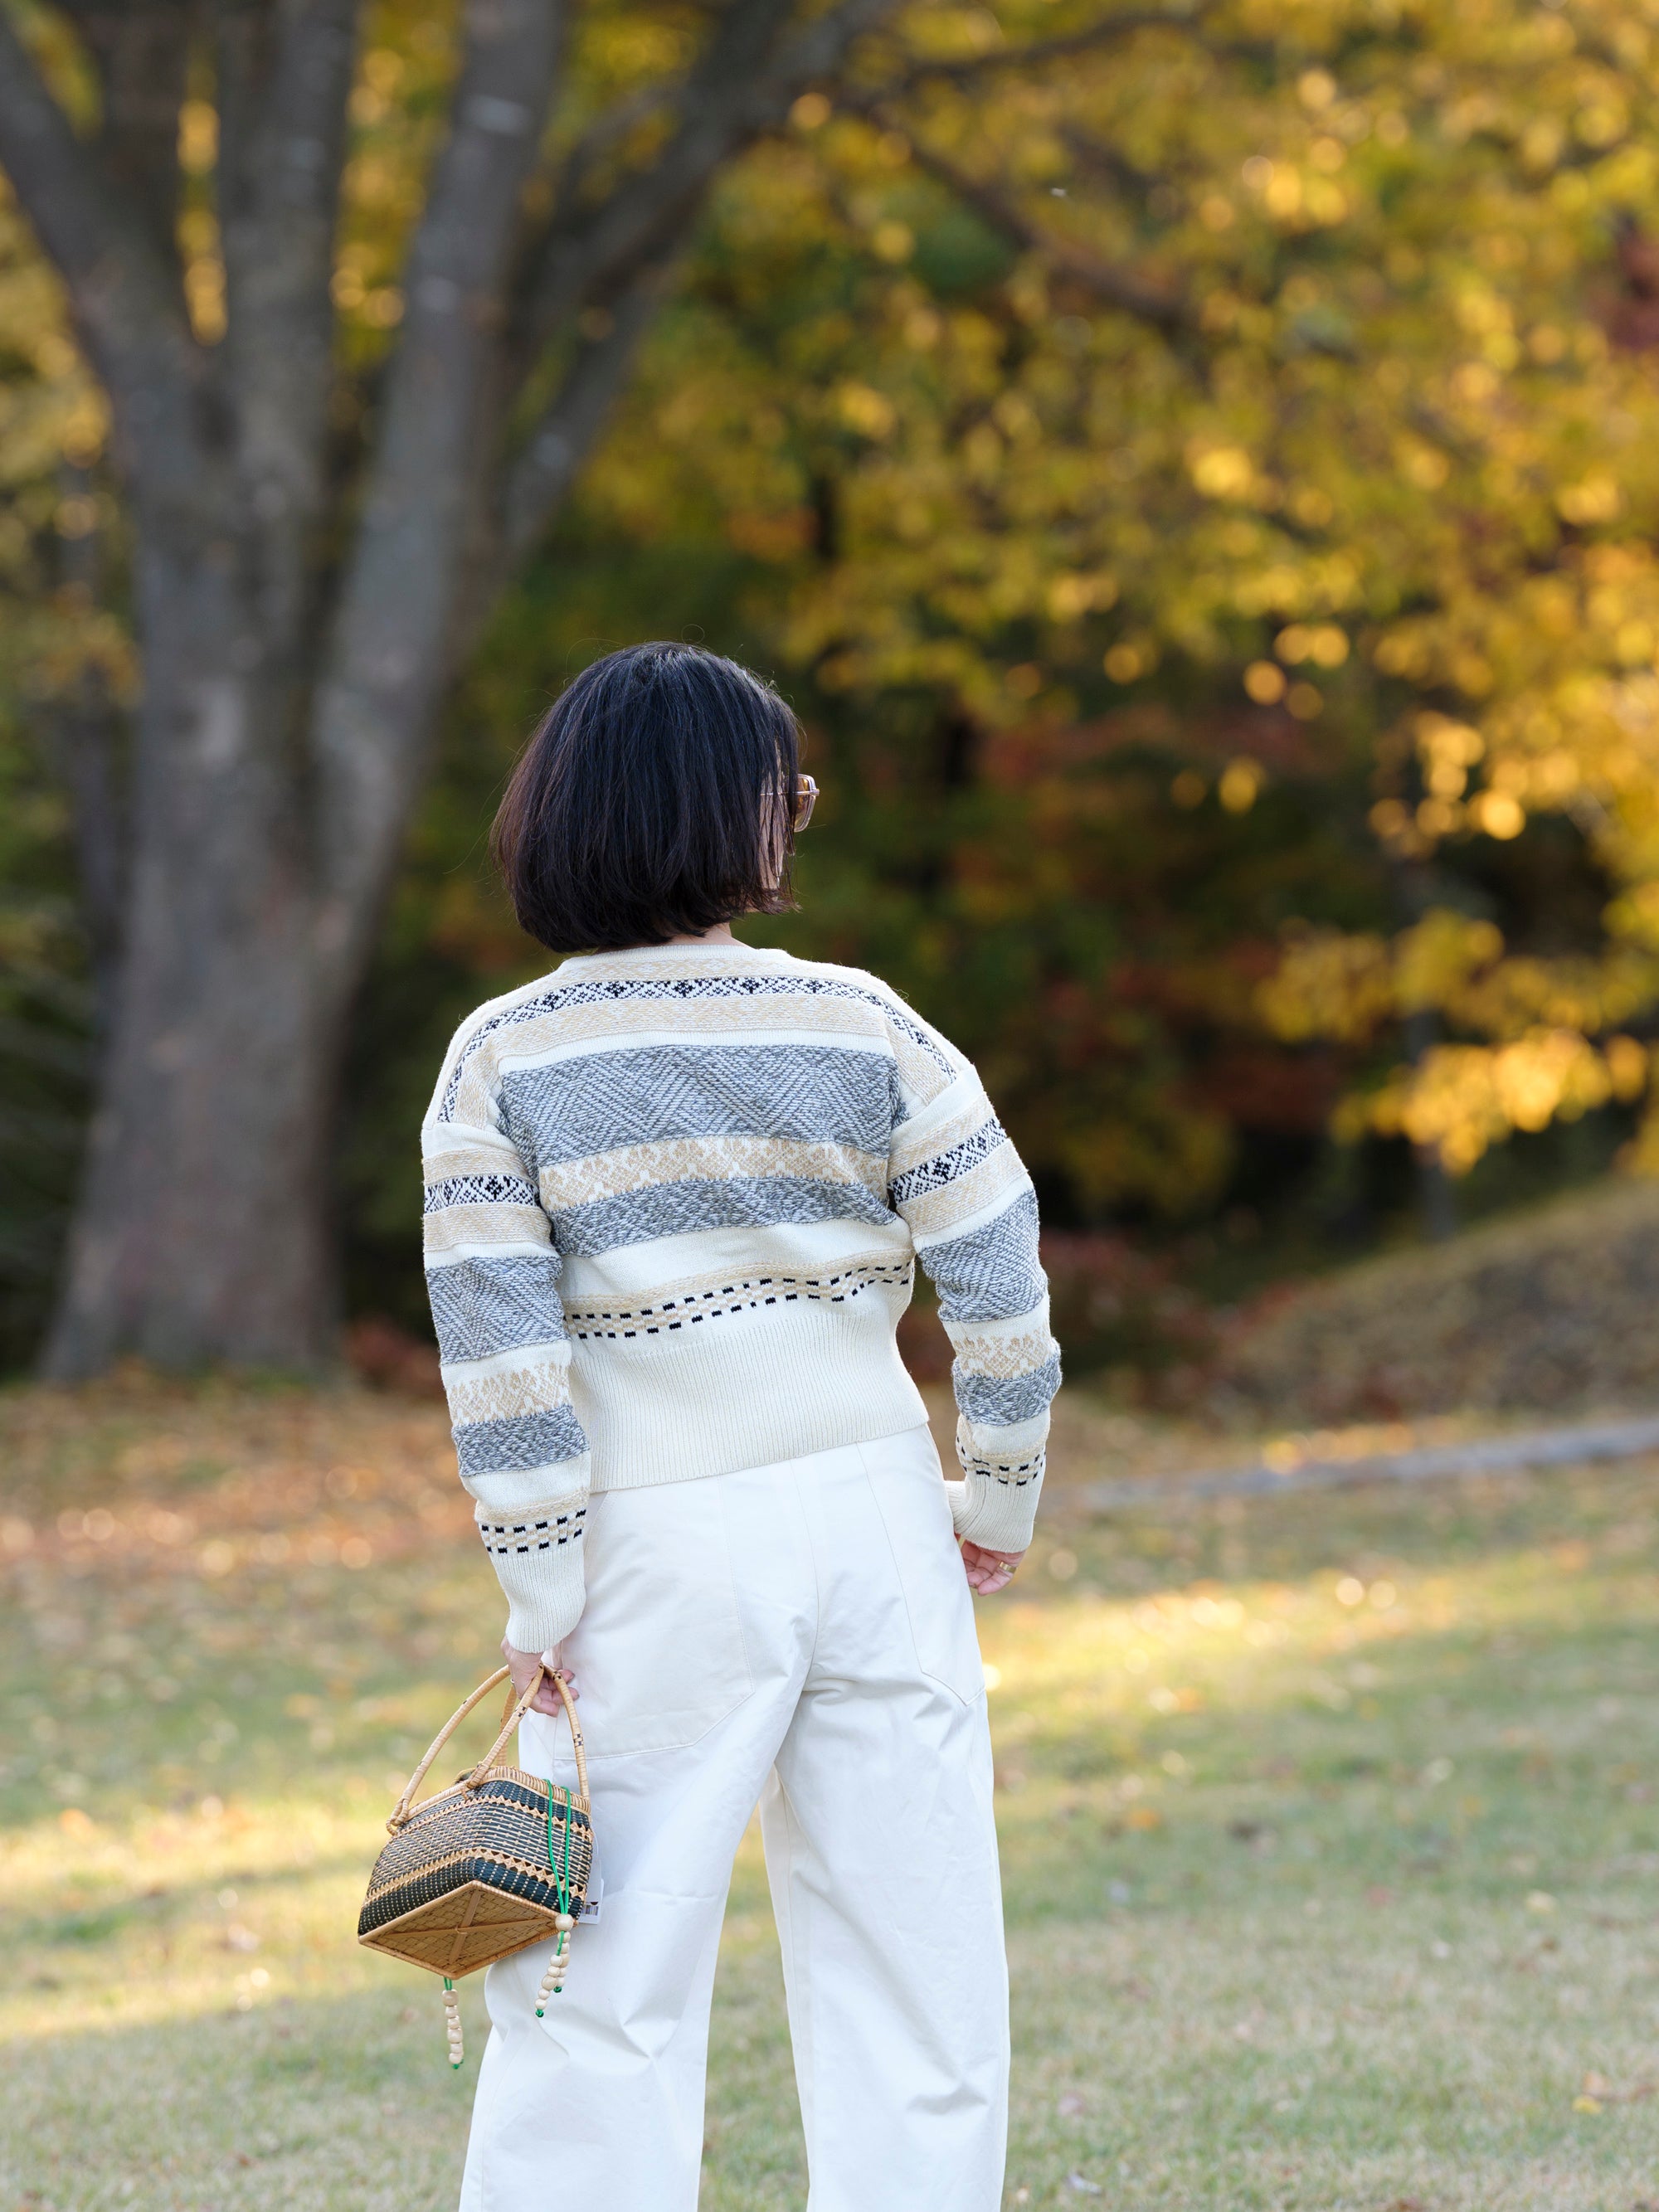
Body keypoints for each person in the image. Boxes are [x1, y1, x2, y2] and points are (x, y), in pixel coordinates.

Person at [421, 641, 1060, 2212]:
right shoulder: (868, 1027)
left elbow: (503, 1371)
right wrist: (998, 1503)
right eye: (795, 793)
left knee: (599, 1987)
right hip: (879, 1519)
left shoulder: (503, 1058)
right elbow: (1003, 1294)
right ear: (737, 821)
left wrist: (541, 1600)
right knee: (916, 1971)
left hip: (654, 1542)